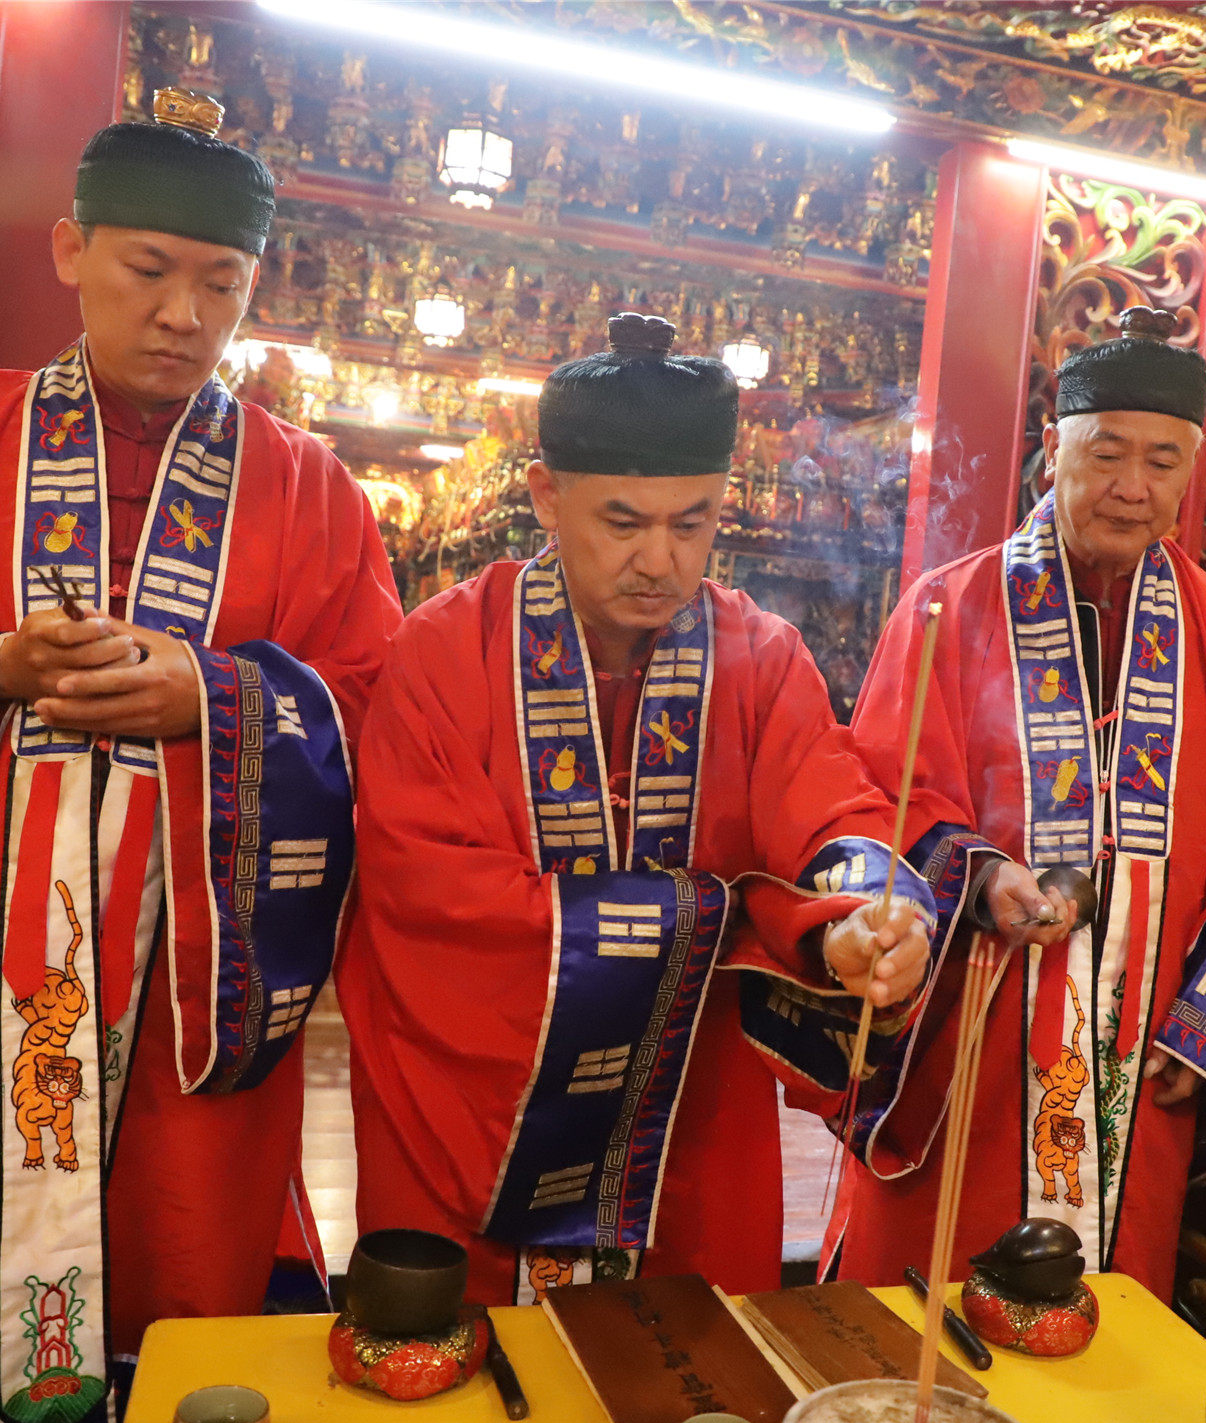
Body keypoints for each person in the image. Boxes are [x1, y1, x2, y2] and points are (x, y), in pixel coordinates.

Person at [0, 89, 401, 1423]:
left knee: (184, 1249)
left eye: (221, 283)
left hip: (196, 981)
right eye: (148, 269)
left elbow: (374, 705)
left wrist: (215, 695)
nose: (184, 314)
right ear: (72, 251)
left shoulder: (314, 495)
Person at [338, 312, 980, 1307]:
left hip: (691, 1115)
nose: (660, 562)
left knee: (690, 1363)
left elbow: (830, 804)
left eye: (693, 523)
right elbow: (426, 892)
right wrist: (738, 923)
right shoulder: (444, 651)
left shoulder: (761, 657)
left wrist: (862, 911)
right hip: (479, 1116)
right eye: (624, 522)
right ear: (546, 496)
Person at [808, 306, 1206, 1301]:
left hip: (1140, 1054)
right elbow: (881, 796)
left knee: (1106, 1328)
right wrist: (982, 877)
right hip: (975, 1037)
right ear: (1052, 449)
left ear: (1191, 470)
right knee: (925, 1311)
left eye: (1162, 460)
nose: (1132, 485)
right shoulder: (947, 608)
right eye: (1106, 453)